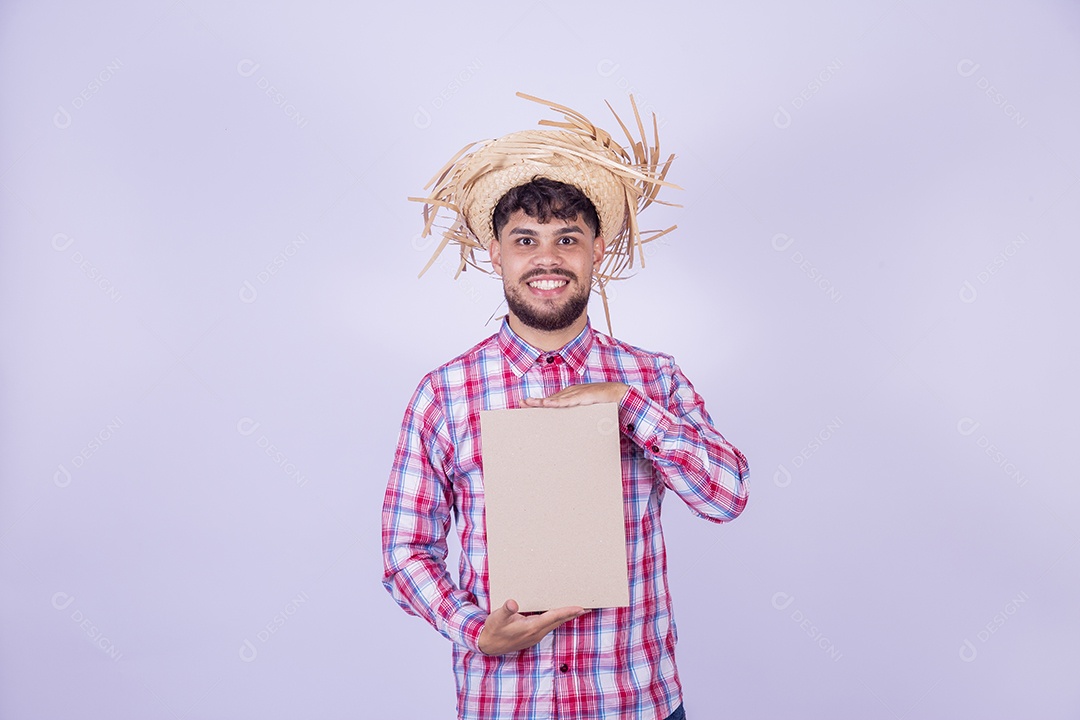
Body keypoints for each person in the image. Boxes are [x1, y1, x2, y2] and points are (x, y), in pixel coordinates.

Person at [381, 94, 750, 720]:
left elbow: (727, 497)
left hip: (634, 701)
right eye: (525, 239)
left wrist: (628, 406)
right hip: (507, 702)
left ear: (596, 249)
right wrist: (473, 630)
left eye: (567, 239)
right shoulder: (443, 393)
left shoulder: (653, 378)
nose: (546, 259)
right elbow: (404, 550)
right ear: (495, 252)